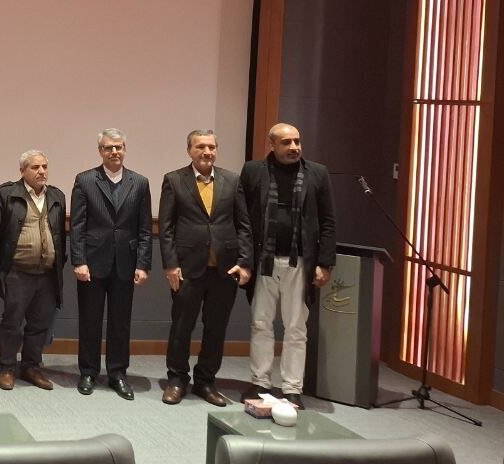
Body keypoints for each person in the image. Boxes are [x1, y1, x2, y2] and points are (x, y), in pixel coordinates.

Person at [239, 123, 337, 407]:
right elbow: (243, 219)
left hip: (301, 263)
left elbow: (328, 221)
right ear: (271, 144)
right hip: (263, 262)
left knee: (296, 328)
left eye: (297, 141)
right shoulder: (253, 171)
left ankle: (292, 387)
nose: (294, 147)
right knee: (261, 324)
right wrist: (244, 260)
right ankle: (260, 382)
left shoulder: (317, 173)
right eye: (286, 142)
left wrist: (324, 263)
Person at [158, 129, 253, 406]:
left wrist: (244, 263)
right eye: (200, 147)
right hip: (187, 269)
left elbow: (244, 225)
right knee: (182, 326)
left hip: (224, 270)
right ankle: (177, 379)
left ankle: (206, 381)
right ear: (190, 150)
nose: (207, 152)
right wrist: (170, 265)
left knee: (216, 328)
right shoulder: (174, 180)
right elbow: (166, 227)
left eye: (211, 147)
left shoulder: (232, 180)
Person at [70, 128, 152, 400]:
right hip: (92, 263)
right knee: (90, 320)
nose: (114, 151)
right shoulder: (85, 180)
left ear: (125, 149)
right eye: (108, 147)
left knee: (120, 323)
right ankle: (88, 372)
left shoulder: (140, 182)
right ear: (100, 151)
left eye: (118, 147)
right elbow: (77, 225)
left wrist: (143, 264)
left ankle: (118, 373)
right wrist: (79, 261)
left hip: (125, 263)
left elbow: (144, 228)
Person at [0, 150, 67, 391]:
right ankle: (7, 367)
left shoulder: (57, 196)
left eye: (44, 166)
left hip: (48, 274)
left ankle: (31, 366)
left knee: (40, 323)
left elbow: (60, 235)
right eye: (35, 167)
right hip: (17, 271)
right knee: (12, 322)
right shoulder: (7, 194)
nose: (42, 171)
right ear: (22, 171)